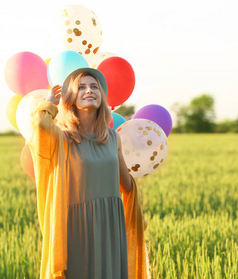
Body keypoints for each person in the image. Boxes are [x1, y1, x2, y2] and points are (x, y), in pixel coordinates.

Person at [29, 68, 149, 279]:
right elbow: (40, 126)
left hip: (111, 225)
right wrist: (50, 103)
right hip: (77, 228)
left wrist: (135, 216)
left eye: (95, 87)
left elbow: (127, 187)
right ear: (71, 99)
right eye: (81, 87)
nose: (89, 90)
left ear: (102, 96)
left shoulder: (113, 138)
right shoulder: (63, 139)